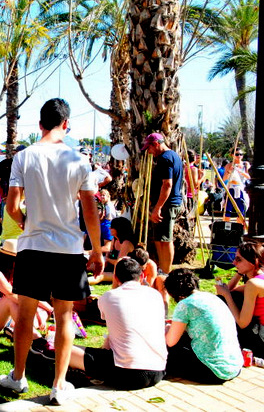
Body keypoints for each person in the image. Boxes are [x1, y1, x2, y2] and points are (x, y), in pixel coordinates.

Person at [0, 98, 104, 405]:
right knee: (64, 317)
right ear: (66, 124)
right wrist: (97, 251)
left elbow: (11, 205)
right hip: (69, 248)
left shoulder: (24, 156)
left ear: (40, 124)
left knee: (24, 316)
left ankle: (18, 377)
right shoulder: (79, 160)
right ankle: (59, 385)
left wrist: (24, 222)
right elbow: (89, 210)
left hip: (33, 245)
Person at [65, 258, 167, 390]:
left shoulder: (109, 297)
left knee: (66, 349)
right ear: (141, 276)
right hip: (159, 370)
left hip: (127, 374)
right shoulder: (155, 295)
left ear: (115, 277)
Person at [165, 268, 242, 383]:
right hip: (234, 365)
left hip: (213, 371)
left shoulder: (185, 304)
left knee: (167, 349)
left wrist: (166, 329)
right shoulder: (211, 297)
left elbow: (171, 342)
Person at [0, 239, 52, 343]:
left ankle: (14, 330)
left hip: (9, 317)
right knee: (10, 300)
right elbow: (11, 294)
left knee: (43, 309)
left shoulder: (15, 272)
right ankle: (37, 339)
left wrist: (50, 309)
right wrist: (35, 310)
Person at [143, 132, 183, 274]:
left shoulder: (165, 158)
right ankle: (162, 269)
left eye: (149, 148)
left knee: (165, 240)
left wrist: (157, 208)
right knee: (160, 239)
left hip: (167, 204)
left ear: (156, 144)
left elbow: (167, 184)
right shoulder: (172, 156)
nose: (149, 152)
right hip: (167, 204)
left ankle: (166, 271)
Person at [215, 241, 264, 357]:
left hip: (260, 338)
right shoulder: (259, 278)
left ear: (253, 261)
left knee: (226, 302)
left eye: (239, 259)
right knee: (231, 298)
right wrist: (239, 272)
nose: (234, 262)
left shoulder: (254, 284)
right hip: (258, 330)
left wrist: (226, 295)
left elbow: (242, 323)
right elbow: (232, 291)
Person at [89, 217, 136, 285]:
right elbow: (109, 253)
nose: (109, 228)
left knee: (101, 276)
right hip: (110, 266)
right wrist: (104, 262)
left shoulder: (126, 243)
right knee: (89, 265)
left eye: (112, 227)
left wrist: (107, 260)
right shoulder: (115, 239)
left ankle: (81, 284)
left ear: (118, 228)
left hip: (121, 271)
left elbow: (119, 263)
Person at [222, 148, 250, 226]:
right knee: (228, 209)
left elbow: (249, 177)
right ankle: (226, 227)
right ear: (232, 155)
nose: (239, 156)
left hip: (241, 189)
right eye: (237, 154)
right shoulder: (229, 165)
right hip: (231, 188)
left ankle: (239, 227)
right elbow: (224, 179)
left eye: (241, 154)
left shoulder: (245, 164)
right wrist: (229, 172)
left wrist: (239, 171)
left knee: (241, 209)